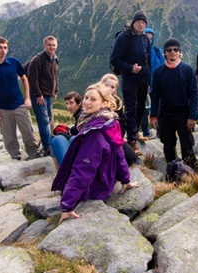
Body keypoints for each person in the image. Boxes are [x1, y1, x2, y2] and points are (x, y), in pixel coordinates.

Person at [51, 84, 139, 223]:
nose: (87, 102)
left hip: (94, 188)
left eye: (93, 99)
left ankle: (61, 180)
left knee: (57, 140)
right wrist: (125, 180)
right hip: (106, 179)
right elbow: (119, 153)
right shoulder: (111, 121)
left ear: (104, 103)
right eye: (86, 98)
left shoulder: (94, 133)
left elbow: (84, 169)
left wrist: (67, 205)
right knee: (72, 139)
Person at [0, 36, 39, 160]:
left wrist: (27, 98)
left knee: (28, 132)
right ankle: (16, 156)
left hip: (19, 104)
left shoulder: (14, 62)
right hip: (2, 107)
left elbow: (24, 78)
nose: (3, 50)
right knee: (9, 137)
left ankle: (34, 154)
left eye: (5, 48)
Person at [150, 38, 198, 170]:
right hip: (165, 115)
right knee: (168, 146)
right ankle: (173, 172)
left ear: (179, 52)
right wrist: (153, 116)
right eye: (169, 50)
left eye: (176, 50)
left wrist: (192, 116)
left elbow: (194, 94)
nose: (173, 52)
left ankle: (193, 175)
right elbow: (154, 95)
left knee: (187, 146)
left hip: (183, 114)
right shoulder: (159, 72)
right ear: (165, 53)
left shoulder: (187, 70)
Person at [109, 10, 151, 155]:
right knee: (131, 108)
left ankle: (135, 131)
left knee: (141, 108)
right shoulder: (124, 37)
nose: (141, 24)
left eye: (143, 22)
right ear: (133, 22)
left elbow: (148, 60)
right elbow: (114, 59)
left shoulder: (145, 39)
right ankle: (131, 140)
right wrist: (130, 68)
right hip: (129, 79)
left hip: (143, 79)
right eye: (139, 21)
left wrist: (148, 78)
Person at [27, 36, 59, 156]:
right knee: (44, 121)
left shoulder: (54, 59)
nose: (52, 47)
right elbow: (32, 79)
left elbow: (56, 75)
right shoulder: (37, 60)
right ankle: (48, 147)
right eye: (49, 45)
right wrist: (38, 95)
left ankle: (49, 142)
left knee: (49, 119)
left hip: (49, 95)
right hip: (39, 96)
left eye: (54, 45)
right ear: (44, 46)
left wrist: (56, 90)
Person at [100, 73, 139, 165]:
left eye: (112, 87)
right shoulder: (95, 99)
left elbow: (122, 123)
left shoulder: (118, 103)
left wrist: (118, 137)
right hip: (99, 138)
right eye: (106, 85)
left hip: (114, 137)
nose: (109, 89)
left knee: (131, 157)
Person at [139, 27, 165, 142]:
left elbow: (163, 67)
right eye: (146, 38)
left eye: (151, 38)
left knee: (159, 108)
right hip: (144, 85)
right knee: (144, 109)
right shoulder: (140, 51)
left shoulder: (157, 50)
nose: (149, 40)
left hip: (158, 85)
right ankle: (146, 131)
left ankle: (160, 131)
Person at [49, 91, 83, 167]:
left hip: (81, 149)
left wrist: (64, 135)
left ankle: (60, 174)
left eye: (71, 103)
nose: (69, 106)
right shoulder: (80, 114)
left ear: (79, 103)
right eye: (67, 103)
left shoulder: (82, 116)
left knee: (55, 139)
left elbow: (81, 137)